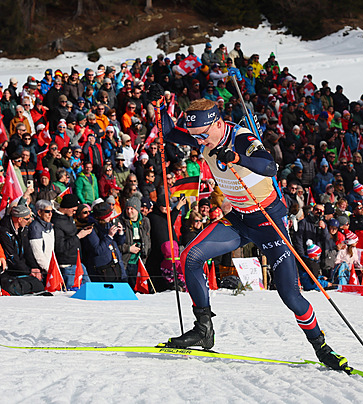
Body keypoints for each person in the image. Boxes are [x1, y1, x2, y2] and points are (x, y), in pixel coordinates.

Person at [153, 87, 348, 371]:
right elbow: (171, 133)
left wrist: (236, 158)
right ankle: (203, 329)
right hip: (240, 219)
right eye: (196, 136)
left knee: (290, 295)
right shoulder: (205, 138)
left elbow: (269, 166)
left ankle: (321, 346)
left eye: (204, 135)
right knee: (190, 258)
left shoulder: (241, 138)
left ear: (219, 123)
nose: (199, 141)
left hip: (269, 223)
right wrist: (159, 106)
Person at [52, 195, 93, 289]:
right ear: (66, 208)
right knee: (72, 295)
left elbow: (71, 235)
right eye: (73, 210)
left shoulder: (69, 217)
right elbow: (60, 247)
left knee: (90, 291)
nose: (75, 213)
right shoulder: (57, 222)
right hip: (67, 265)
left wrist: (82, 231)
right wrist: (79, 236)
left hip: (77, 262)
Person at [118, 197, 152, 289]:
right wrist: (128, 248)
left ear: (137, 210)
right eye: (127, 208)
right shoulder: (120, 222)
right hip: (125, 262)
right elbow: (115, 245)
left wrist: (145, 251)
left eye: (132, 209)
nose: (129, 211)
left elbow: (148, 240)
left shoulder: (145, 221)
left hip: (140, 262)